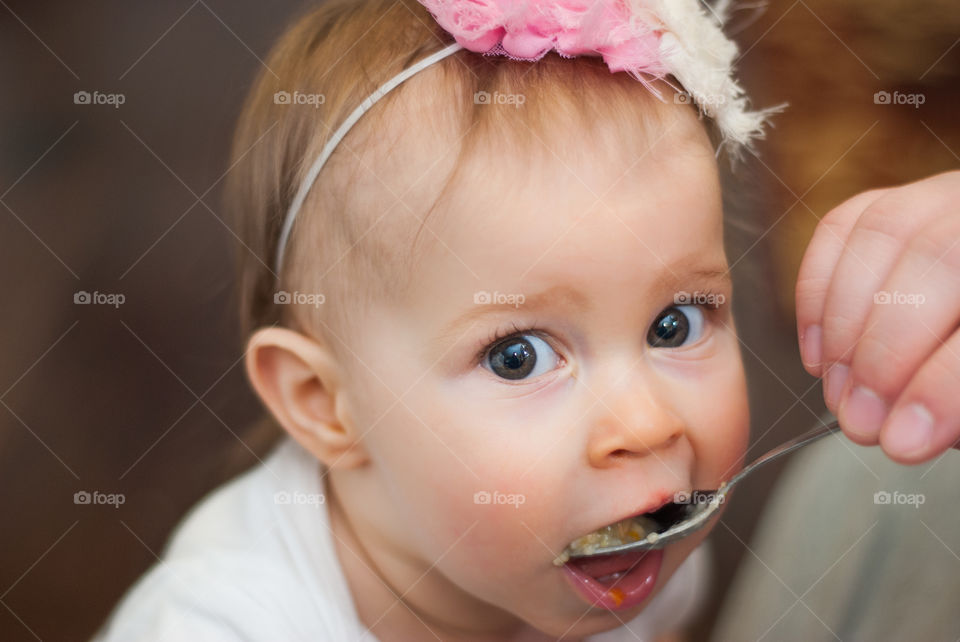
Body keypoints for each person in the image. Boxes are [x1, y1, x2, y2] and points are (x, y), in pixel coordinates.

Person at [93, 0, 960, 639]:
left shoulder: (618, 548)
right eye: (516, 356)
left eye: (674, 325)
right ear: (326, 404)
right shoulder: (221, 623)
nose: (647, 426)